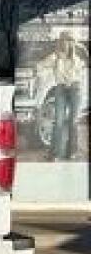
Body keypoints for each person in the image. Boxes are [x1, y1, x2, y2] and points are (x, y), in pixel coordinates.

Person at [39, 31, 88, 162]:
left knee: (73, 121)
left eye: (69, 40)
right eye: (64, 40)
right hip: (60, 89)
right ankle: (54, 154)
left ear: (72, 43)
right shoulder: (55, 57)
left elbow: (80, 73)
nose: (66, 43)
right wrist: (41, 72)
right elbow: (40, 66)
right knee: (59, 120)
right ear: (60, 42)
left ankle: (72, 152)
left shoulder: (77, 58)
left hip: (75, 89)